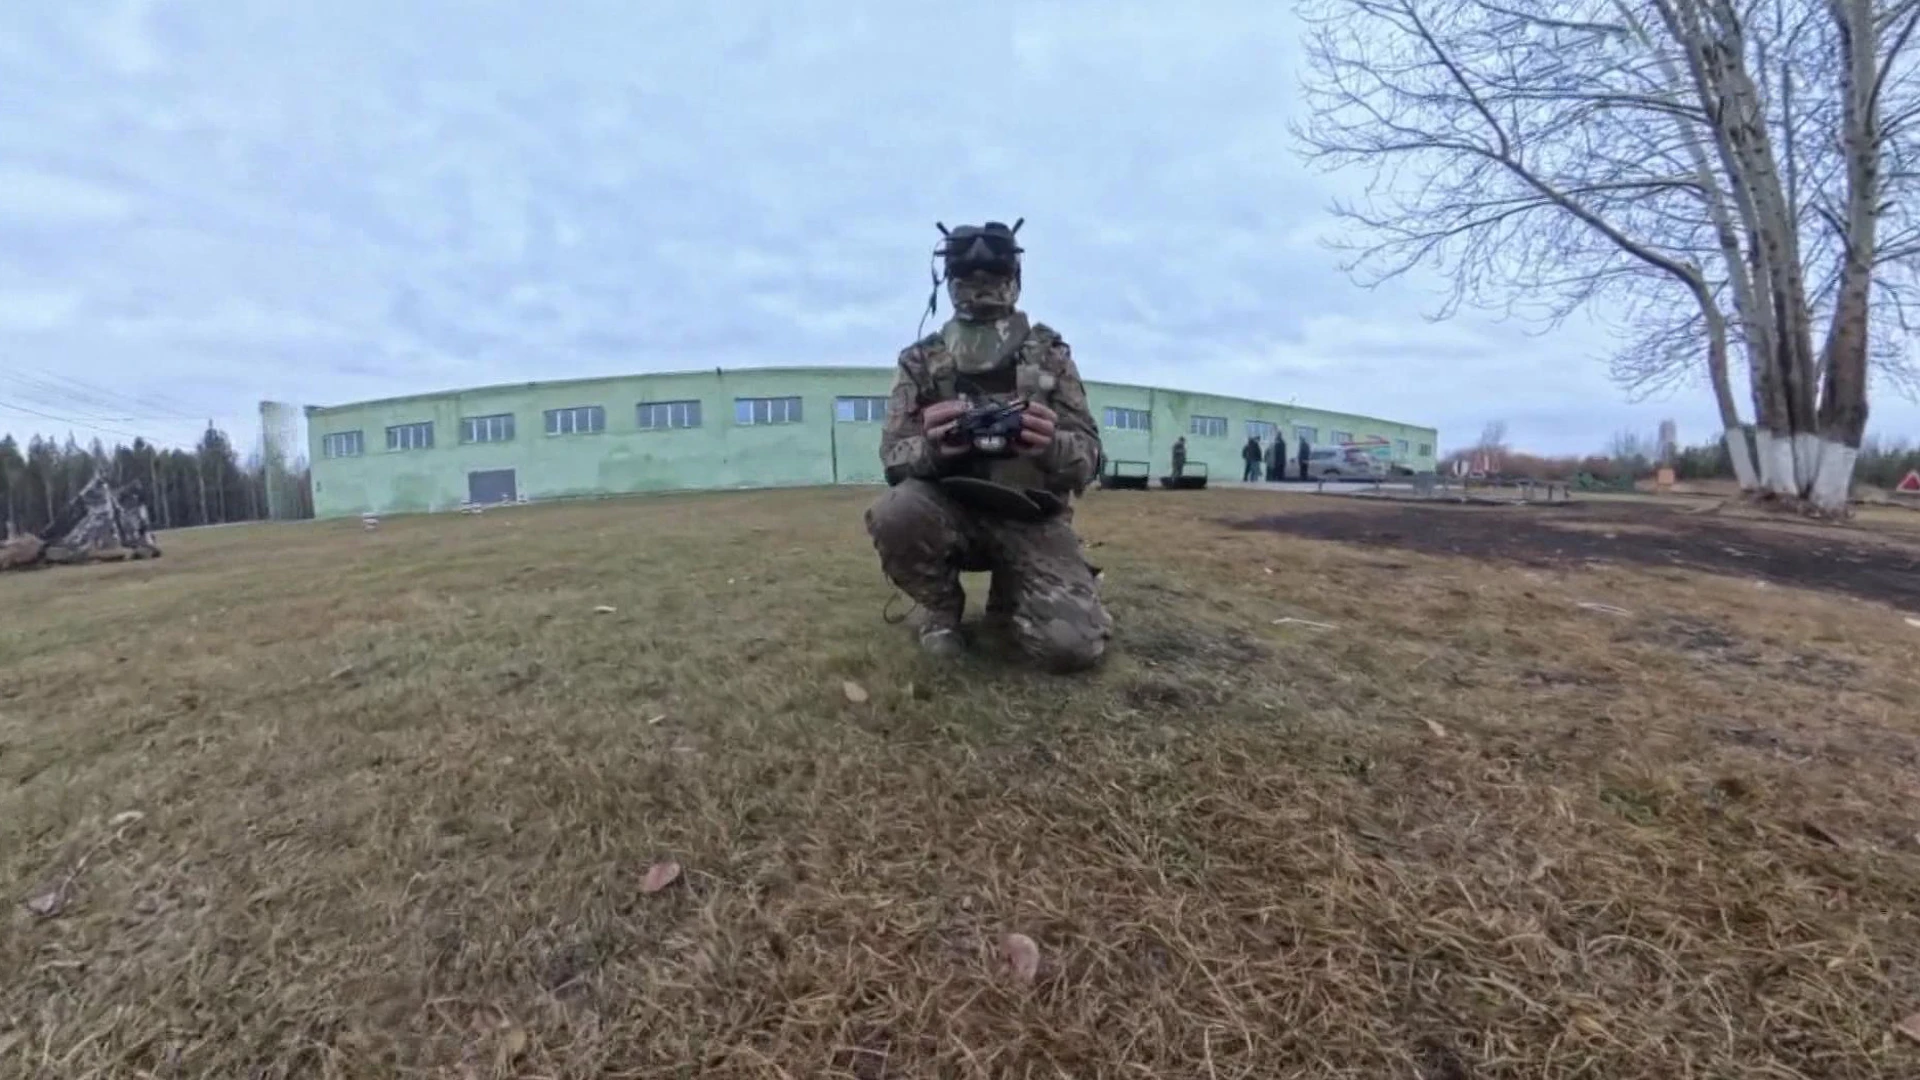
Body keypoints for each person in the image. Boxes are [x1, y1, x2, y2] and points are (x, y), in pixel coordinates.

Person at [865, 220, 1112, 672]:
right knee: (895, 511)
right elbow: (893, 458)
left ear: (1014, 279)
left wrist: (1051, 444)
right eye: (968, 275)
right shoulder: (921, 361)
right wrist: (933, 448)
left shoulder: (1050, 354)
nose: (981, 284)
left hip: (1032, 517)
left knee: (1069, 648)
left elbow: (1090, 458)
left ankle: (1019, 594)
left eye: (994, 274)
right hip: (952, 511)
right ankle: (941, 610)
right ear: (950, 279)